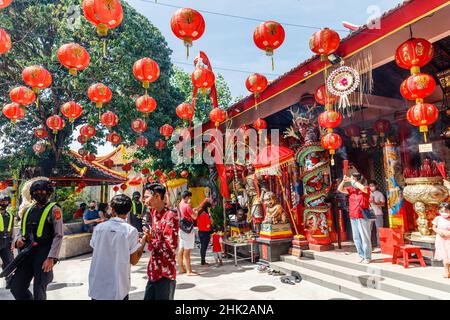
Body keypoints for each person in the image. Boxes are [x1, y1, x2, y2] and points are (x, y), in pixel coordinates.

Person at [10, 179, 64, 300]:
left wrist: (51, 257)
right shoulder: (28, 210)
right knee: (16, 287)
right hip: (27, 253)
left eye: (43, 191)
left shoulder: (54, 209)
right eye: (36, 191)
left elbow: (58, 235)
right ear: (32, 194)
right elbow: (21, 230)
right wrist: (18, 240)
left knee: (39, 289)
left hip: (44, 253)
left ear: (49, 192)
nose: (40, 193)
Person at [88, 194, 147, 300]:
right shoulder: (130, 231)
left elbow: (96, 248)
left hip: (97, 285)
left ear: (113, 210)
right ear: (129, 211)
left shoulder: (99, 228)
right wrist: (142, 244)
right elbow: (134, 261)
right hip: (118, 287)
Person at [142, 183, 178, 300]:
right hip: (153, 270)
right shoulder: (154, 214)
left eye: (147, 196)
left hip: (165, 273)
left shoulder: (171, 216)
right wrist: (149, 238)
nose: (144, 200)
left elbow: (170, 247)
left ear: (157, 196)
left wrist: (150, 238)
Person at [338, 172, 372, 264]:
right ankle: (361, 255)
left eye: (353, 178)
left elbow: (363, 188)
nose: (351, 180)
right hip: (353, 216)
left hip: (362, 216)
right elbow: (339, 189)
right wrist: (344, 181)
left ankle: (367, 257)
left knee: (365, 238)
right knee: (356, 238)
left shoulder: (366, 189)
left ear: (357, 179)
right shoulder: (351, 190)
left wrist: (353, 180)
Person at [177, 190, 198, 276]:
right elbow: (194, 217)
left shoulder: (179, 204)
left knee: (181, 250)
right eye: (189, 197)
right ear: (186, 197)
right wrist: (195, 212)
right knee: (187, 251)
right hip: (188, 230)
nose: (190, 199)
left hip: (182, 229)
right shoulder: (187, 205)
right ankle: (189, 271)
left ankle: (181, 268)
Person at [432, 202, 450, 278]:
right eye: (442, 211)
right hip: (441, 240)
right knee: (445, 255)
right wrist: (439, 232)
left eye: (446, 211)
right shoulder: (438, 218)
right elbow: (434, 228)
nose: (444, 213)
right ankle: (446, 271)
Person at [0, 195, 14, 287]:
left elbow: (12, 229)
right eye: (2, 202)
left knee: (8, 262)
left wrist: (12, 242)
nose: (4, 203)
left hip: (7, 242)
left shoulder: (10, 215)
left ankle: (9, 281)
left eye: (5, 202)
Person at [369, 180, 385, 248]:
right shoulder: (367, 193)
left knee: (379, 230)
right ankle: (369, 244)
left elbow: (383, 204)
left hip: (378, 213)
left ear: (376, 186)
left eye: (372, 186)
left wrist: (376, 203)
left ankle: (379, 245)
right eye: (370, 186)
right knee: (369, 229)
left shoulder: (379, 194)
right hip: (370, 212)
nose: (371, 187)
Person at [197, 201, 212, 266]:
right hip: (206, 232)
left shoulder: (200, 213)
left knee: (202, 247)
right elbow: (208, 225)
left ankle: (203, 260)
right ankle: (203, 261)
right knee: (204, 247)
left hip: (200, 232)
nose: (210, 209)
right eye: (209, 208)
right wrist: (211, 222)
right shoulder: (206, 215)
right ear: (207, 207)